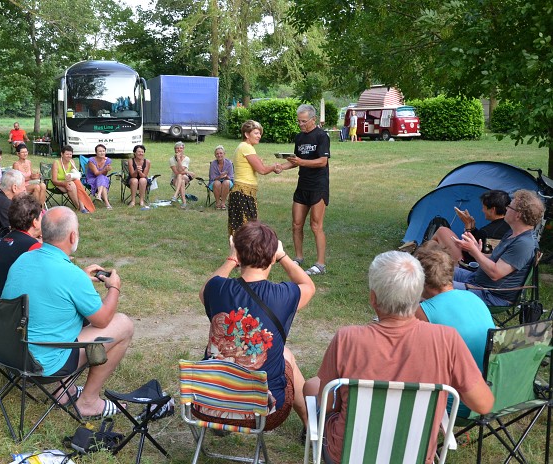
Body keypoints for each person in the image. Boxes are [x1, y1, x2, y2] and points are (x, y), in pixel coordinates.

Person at [304, 251, 494, 464]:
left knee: (313, 391)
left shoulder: (347, 339)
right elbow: (484, 405)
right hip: (415, 457)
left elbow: (328, 404)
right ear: (418, 295)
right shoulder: (447, 340)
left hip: (349, 455)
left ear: (373, 299)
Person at [2, 206, 134, 418]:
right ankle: (89, 402)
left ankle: (63, 391)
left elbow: (45, 288)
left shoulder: (22, 260)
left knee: (58, 319)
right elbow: (102, 320)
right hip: (44, 364)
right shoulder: (71, 276)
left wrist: (79, 277)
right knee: (124, 324)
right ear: (73, 236)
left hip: (9, 354)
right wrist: (114, 287)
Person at [199, 221, 315, 430]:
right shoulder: (283, 295)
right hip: (263, 412)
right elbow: (308, 285)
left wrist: (231, 258)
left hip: (209, 406)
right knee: (286, 355)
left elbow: (205, 289)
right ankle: (310, 423)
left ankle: (309, 422)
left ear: (238, 255)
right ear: (272, 257)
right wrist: (282, 256)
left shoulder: (216, 289)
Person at [414, 243, 495, 417]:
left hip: (456, 402)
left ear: (420, 280)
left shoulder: (424, 311)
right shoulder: (473, 298)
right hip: (489, 394)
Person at [452, 189, 544, 306]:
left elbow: (495, 273)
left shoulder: (524, 244)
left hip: (491, 295)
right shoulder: (513, 233)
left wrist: (474, 251)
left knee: (433, 283)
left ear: (518, 215)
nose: (506, 209)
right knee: (433, 269)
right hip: (476, 280)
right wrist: (477, 250)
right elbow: (496, 257)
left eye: (509, 207)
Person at [277, 104, 330, 276]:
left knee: (316, 226)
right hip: (302, 186)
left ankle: (320, 264)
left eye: (304, 121)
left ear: (313, 119)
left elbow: (322, 161)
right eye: (299, 121)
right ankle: (298, 258)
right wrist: (281, 167)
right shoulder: (299, 137)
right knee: (296, 224)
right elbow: (295, 160)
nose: (300, 124)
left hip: (318, 187)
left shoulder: (322, 137)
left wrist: (302, 162)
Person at [227, 120, 279, 235]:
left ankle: (239, 252)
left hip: (242, 192)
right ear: (246, 134)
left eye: (259, 133)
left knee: (242, 231)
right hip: (243, 193)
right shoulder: (246, 147)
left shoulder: (243, 147)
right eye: (256, 133)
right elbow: (262, 170)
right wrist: (274, 167)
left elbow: (255, 167)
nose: (259, 136)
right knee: (247, 232)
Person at [432, 190, 512, 263]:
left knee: (442, 231)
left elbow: (469, 252)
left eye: (484, 208)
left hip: (469, 265)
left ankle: (423, 259)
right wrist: (472, 229)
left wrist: (467, 227)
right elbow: (483, 243)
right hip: (494, 263)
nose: (482, 210)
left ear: (492, 210)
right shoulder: (511, 226)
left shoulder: (487, 231)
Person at [0, 193, 42, 297]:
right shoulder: (33, 247)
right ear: (34, 222)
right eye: (40, 217)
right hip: (16, 305)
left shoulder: (5, 239)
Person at [52, 145, 94, 214]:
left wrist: (71, 177)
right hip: (57, 183)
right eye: (67, 154)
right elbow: (54, 181)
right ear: (62, 154)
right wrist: (64, 183)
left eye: (70, 154)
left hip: (70, 182)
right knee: (72, 184)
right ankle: (79, 206)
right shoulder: (56, 163)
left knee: (76, 182)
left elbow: (75, 174)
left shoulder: (71, 162)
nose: (69, 156)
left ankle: (82, 206)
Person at [86, 144, 113, 210]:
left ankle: (99, 195)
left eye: (103, 151)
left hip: (102, 179)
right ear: (96, 152)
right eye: (100, 151)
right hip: (92, 179)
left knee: (102, 178)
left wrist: (107, 170)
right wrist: (104, 169)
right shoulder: (91, 160)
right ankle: (107, 203)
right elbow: (96, 173)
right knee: (102, 178)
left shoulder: (108, 160)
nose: (102, 153)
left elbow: (105, 174)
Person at [170, 141, 195, 209]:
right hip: (175, 178)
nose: (179, 150)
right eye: (177, 148)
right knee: (181, 179)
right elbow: (176, 172)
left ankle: (175, 195)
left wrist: (178, 160)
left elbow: (180, 170)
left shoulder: (187, 159)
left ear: (183, 149)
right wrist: (188, 172)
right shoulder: (171, 159)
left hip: (185, 177)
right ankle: (184, 202)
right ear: (174, 150)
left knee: (181, 176)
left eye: (181, 148)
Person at [208, 145, 234, 210]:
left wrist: (226, 176)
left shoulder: (229, 163)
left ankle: (223, 203)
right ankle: (217, 203)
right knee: (217, 183)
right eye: (217, 154)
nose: (219, 155)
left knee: (226, 182)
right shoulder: (213, 164)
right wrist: (220, 177)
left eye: (221, 153)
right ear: (215, 155)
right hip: (214, 182)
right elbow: (212, 178)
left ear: (224, 154)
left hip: (227, 181)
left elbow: (231, 177)